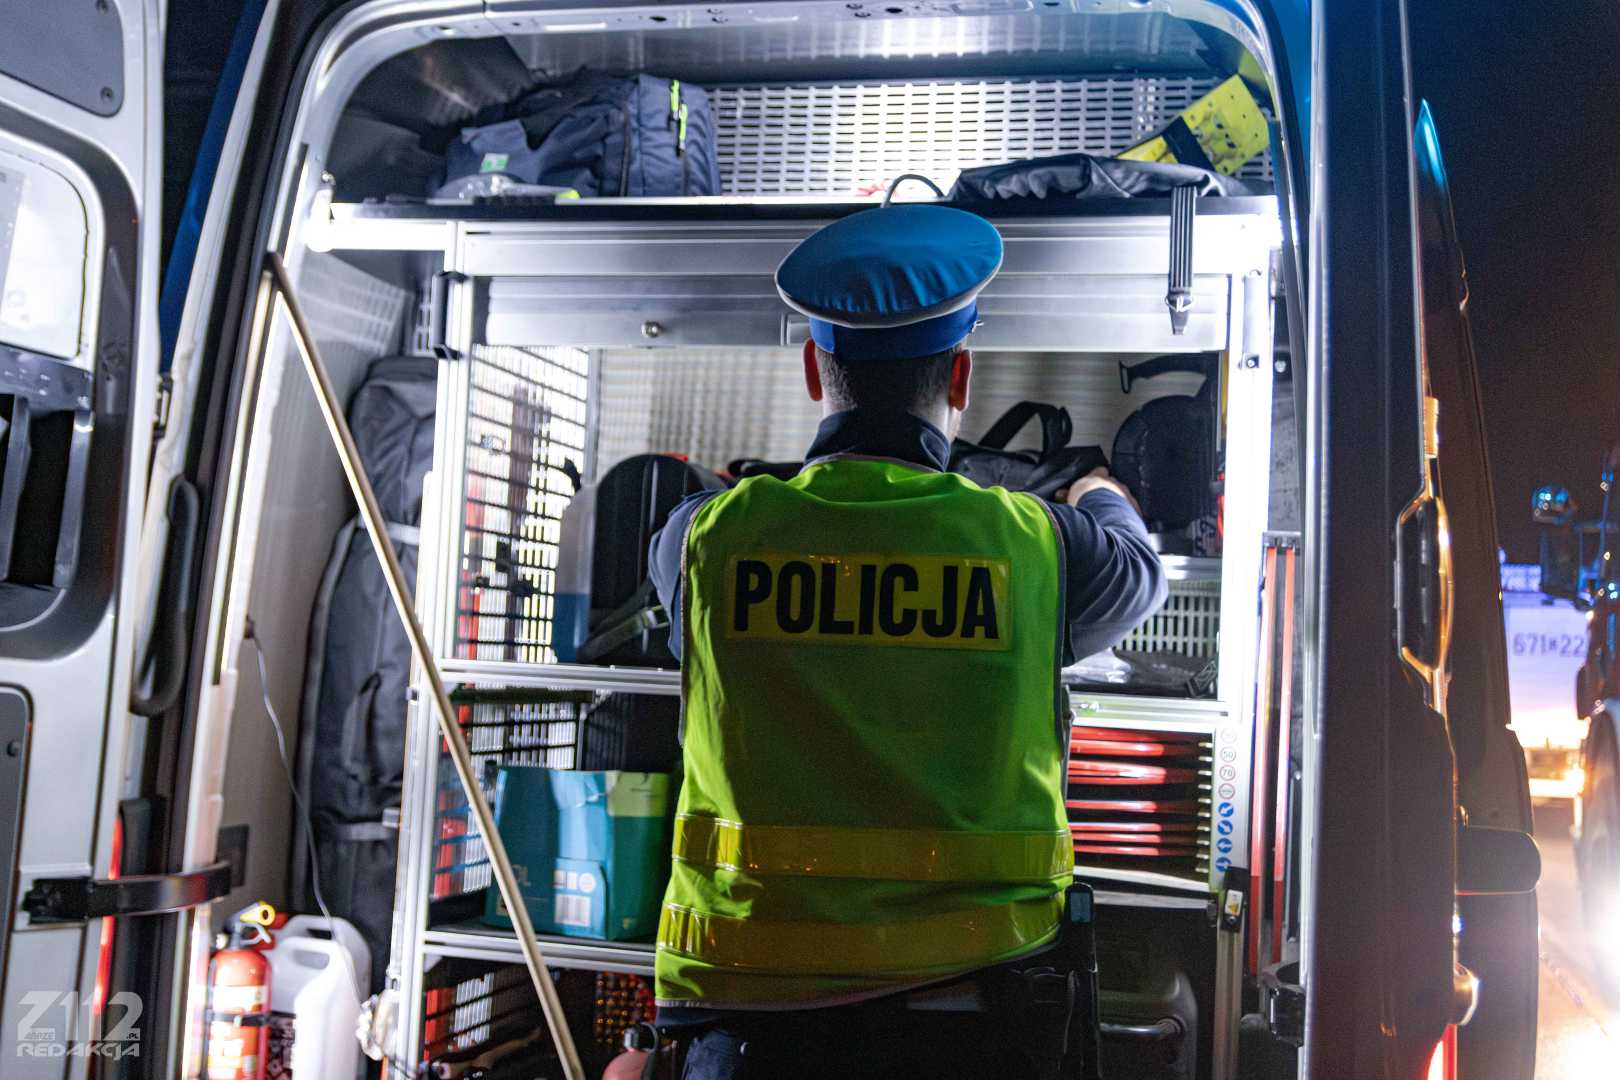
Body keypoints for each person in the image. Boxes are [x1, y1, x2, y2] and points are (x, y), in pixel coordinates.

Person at [644, 202, 1166, 1079]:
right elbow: (1140, 570)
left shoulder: (701, 539)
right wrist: (1099, 491)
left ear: (813, 370)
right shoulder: (1038, 546)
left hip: (747, 1022)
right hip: (974, 1019)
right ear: (960, 376)